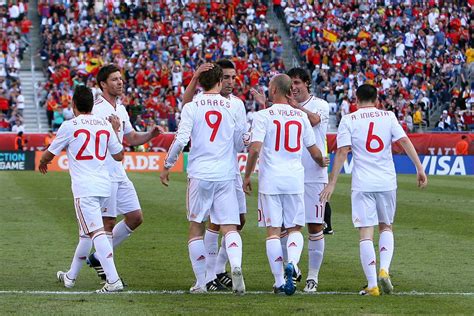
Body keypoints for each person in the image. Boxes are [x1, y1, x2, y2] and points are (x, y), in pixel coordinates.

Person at [320, 84, 428, 296]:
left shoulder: (349, 119)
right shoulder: (388, 116)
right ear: (377, 99)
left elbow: (342, 151)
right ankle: (385, 270)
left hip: (363, 183)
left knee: (365, 233)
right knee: (386, 226)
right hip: (387, 181)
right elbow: (404, 141)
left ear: (356, 99)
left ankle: (372, 285)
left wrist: (332, 182)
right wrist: (419, 168)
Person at [160, 64, 247, 294]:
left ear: (201, 82)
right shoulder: (232, 106)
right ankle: (235, 265)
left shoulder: (192, 106)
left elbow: (180, 140)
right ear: (219, 82)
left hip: (200, 174)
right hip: (226, 174)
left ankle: (202, 282)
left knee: (196, 227)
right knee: (230, 227)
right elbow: (240, 143)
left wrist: (167, 165)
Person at [243, 74, 327, 296]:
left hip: (271, 180)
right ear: (290, 91)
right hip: (295, 180)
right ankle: (294, 262)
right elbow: (314, 149)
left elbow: (254, 148)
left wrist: (247, 175)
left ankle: (280, 281)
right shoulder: (300, 116)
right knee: (294, 228)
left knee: (273, 232)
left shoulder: (262, 116)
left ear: (273, 91)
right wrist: (321, 161)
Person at [38, 85, 125, 293]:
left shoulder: (70, 125)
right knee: (85, 235)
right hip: (104, 186)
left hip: (85, 188)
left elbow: (50, 153)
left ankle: (113, 280)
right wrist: (114, 131)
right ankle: (70, 277)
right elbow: (119, 155)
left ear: (73, 105)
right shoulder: (104, 125)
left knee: (96, 232)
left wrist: (42, 161)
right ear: (92, 105)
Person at [86, 64, 163, 282]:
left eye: (120, 79)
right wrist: (114, 131)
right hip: (105, 173)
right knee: (108, 223)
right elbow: (101, 143)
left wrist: (151, 135)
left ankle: (99, 258)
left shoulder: (119, 108)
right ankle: (110, 275)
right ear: (103, 84)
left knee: (135, 217)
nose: (119, 82)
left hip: (119, 172)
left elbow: (131, 138)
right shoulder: (97, 109)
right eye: (114, 79)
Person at [285, 67, 330, 293]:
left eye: (296, 83)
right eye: (290, 84)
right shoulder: (284, 107)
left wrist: (295, 107)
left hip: (314, 173)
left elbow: (313, 121)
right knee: (289, 226)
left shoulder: (321, 105)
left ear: (306, 84)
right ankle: (293, 267)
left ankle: (313, 277)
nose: (293, 88)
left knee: (314, 226)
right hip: (290, 173)